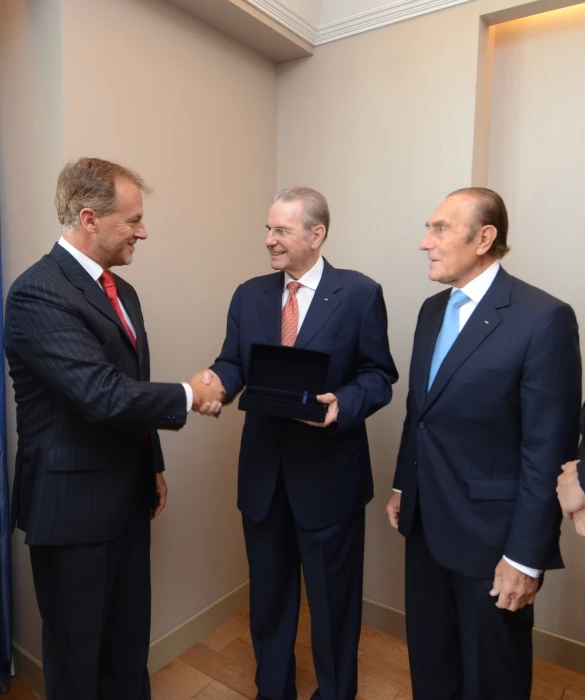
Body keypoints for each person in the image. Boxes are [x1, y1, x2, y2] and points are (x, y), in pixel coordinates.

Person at [4, 157, 223, 700]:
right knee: (77, 661)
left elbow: (130, 385)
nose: (143, 231)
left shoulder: (122, 292)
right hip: (72, 510)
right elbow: (101, 395)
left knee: (127, 650)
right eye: (134, 220)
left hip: (128, 496)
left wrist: (153, 466)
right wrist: (192, 395)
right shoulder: (37, 293)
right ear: (89, 218)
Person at [200, 186, 398, 700]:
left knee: (333, 607)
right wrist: (216, 383)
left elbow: (379, 375)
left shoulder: (359, 293)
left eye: (280, 230)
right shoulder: (249, 294)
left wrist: (344, 405)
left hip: (330, 478)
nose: (268, 240)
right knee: (268, 600)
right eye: (267, 229)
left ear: (317, 233)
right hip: (264, 477)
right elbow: (233, 362)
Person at [386, 187, 581, 699]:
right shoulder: (432, 310)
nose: (425, 242)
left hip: (493, 542)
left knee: (493, 677)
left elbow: (547, 450)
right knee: (432, 663)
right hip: (426, 525)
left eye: (440, 229)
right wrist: (405, 485)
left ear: (484, 238)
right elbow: (419, 412)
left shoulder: (544, 318)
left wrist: (524, 558)